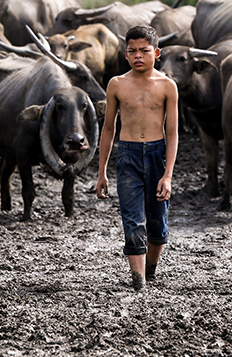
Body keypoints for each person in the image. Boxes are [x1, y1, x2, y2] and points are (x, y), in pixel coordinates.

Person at [96, 24, 179, 291]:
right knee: (132, 220)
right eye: (132, 51)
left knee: (157, 222)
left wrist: (168, 176)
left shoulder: (167, 86)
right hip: (128, 156)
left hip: (157, 155)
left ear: (156, 53)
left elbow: (173, 133)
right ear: (125, 54)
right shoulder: (116, 84)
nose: (138, 56)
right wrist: (102, 172)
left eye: (144, 50)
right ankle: (138, 280)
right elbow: (108, 129)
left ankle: (151, 270)